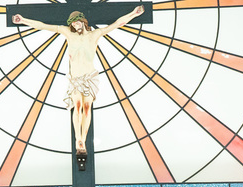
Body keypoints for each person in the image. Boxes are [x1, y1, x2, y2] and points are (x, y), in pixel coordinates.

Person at [11, 6, 145, 162]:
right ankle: (78, 139)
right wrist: (24, 21)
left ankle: (83, 140)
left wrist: (133, 14)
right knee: (78, 105)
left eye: (76, 22)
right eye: (72, 24)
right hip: (75, 78)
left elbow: (116, 24)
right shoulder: (68, 33)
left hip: (89, 77)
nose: (75, 25)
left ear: (82, 21)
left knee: (87, 108)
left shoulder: (95, 34)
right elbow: (44, 26)